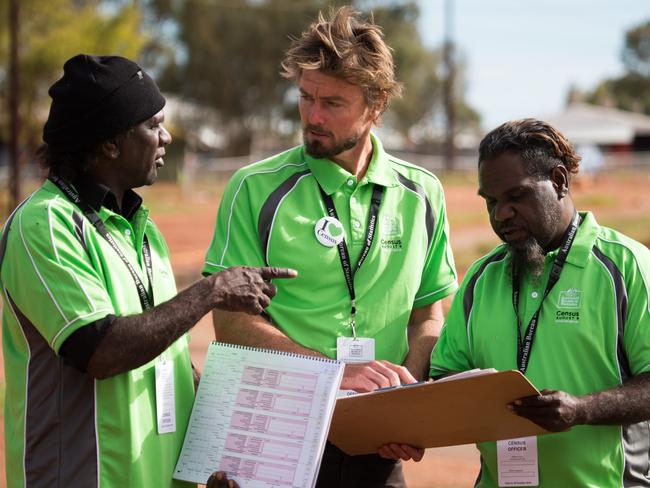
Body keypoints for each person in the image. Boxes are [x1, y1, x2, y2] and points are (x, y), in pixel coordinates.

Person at [0, 54, 296, 488]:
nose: (167, 137)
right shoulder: (45, 224)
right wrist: (210, 291)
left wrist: (215, 457)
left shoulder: (141, 228)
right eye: (153, 124)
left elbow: (166, 354)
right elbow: (100, 350)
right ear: (109, 142)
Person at [202, 6, 458, 487]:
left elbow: (429, 315)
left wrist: (404, 396)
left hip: (379, 444)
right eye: (305, 97)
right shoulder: (254, 188)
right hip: (277, 439)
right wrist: (333, 375)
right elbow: (231, 321)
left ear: (377, 104)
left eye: (333, 103)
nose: (313, 117)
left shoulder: (423, 193)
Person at [381, 118, 650, 486]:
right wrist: (414, 426)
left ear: (559, 181)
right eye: (491, 202)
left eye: (516, 196)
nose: (500, 214)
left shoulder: (626, 267)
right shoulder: (480, 279)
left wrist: (582, 410)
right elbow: (447, 378)